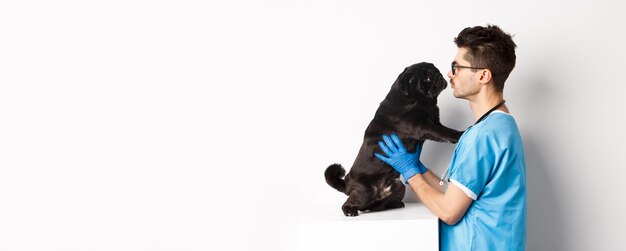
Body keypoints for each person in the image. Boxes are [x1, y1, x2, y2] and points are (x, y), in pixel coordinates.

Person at [375, 25, 526, 250]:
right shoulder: (501, 125)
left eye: (456, 67)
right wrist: (419, 168)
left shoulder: (482, 137)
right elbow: (457, 192)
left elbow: (449, 211)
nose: (449, 74)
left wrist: (410, 172)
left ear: (483, 75)